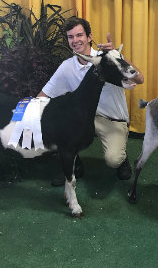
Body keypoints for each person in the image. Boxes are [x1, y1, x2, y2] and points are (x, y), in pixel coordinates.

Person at [37, 17, 143, 179]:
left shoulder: (108, 59)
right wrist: (25, 113)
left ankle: (121, 160)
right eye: (70, 37)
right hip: (83, 119)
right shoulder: (67, 67)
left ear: (89, 37)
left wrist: (117, 55)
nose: (75, 40)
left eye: (79, 35)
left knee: (113, 160)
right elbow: (43, 96)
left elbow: (139, 79)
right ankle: (74, 162)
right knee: (57, 125)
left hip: (112, 120)